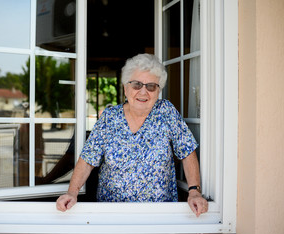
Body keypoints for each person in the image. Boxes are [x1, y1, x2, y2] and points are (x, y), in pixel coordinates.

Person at [56, 53, 208, 217]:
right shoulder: (110, 117)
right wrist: (72, 192)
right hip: (113, 214)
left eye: (151, 86)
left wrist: (194, 191)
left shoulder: (166, 112)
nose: (143, 92)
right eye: (136, 84)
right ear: (125, 88)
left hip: (160, 214)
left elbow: (187, 151)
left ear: (158, 91)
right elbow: (88, 160)